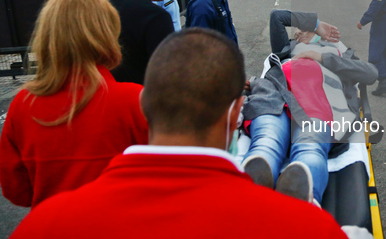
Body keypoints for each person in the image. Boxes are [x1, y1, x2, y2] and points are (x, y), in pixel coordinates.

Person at [10, 28, 348, 239]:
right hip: (309, 119)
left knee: (271, 141)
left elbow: (15, 188)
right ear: (234, 114)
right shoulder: (306, 228)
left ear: (143, 104)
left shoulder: (46, 226)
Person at [0, 0, 148, 209]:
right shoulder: (133, 100)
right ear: (106, 35)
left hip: (51, 225)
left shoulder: (23, 104)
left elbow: (17, 191)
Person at [242, 10, 377, 204]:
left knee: (310, 146)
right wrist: (315, 24)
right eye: (297, 29)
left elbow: (371, 73)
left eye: (303, 30)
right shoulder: (287, 48)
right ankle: (251, 191)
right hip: (276, 95)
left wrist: (321, 58)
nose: (297, 33)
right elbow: (277, 17)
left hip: (317, 98)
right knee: (266, 142)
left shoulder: (337, 51)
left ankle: (303, 197)